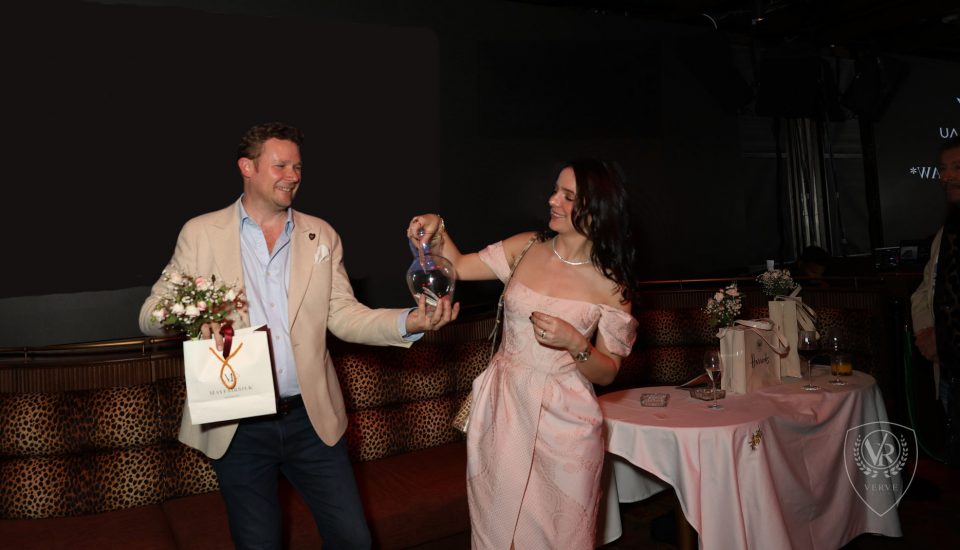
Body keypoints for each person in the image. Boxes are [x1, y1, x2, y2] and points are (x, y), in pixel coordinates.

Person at [138, 122, 458, 549]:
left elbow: (344, 316)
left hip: (311, 420)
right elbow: (149, 316)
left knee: (353, 540)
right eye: (281, 165)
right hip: (238, 424)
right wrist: (193, 317)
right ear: (247, 167)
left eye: (298, 167)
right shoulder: (200, 233)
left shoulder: (321, 234)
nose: (292, 175)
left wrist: (409, 322)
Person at [407, 158, 639, 549]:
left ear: (597, 210)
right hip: (504, 407)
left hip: (566, 421)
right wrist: (436, 225)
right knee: (497, 529)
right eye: (555, 190)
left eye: (568, 196)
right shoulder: (527, 246)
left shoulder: (613, 285)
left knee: (562, 535)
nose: (552, 200)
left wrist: (576, 343)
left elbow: (608, 372)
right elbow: (458, 266)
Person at [912, 135, 960, 466]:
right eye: (944, 169)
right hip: (948, 371)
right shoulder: (948, 230)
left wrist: (941, 338)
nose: (947, 176)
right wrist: (926, 331)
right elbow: (924, 289)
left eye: (957, 167)